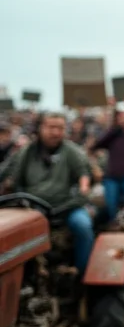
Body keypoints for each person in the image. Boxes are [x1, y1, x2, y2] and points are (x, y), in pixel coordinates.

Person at [0, 112, 95, 275]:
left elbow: (83, 175)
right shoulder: (25, 152)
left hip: (65, 208)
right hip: (30, 208)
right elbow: (7, 172)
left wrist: (83, 187)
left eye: (60, 128)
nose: (56, 132)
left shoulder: (71, 152)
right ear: (40, 128)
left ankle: (81, 273)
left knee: (83, 226)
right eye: (51, 127)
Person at [90, 93, 124, 221]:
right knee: (110, 208)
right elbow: (96, 145)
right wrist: (113, 111)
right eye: (121, 116)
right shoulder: (113, 136)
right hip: (111, 177)